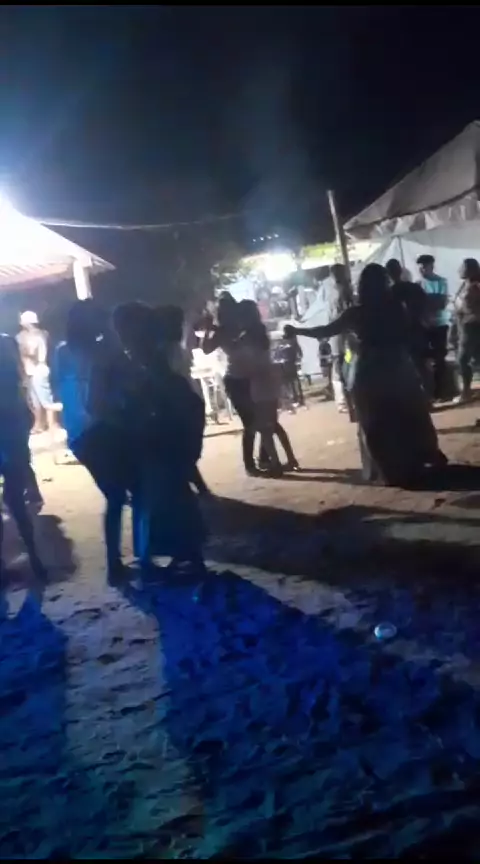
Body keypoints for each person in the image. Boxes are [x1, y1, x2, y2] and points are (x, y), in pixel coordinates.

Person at [285, 264, 446, 488]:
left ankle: (389, 470)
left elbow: (326, 330)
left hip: (369, 370)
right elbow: (409, 334)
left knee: (375, 421)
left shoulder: (356, 313)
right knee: (410, 413)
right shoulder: (396, 308)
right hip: (397, 365)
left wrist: (297, 330)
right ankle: (420, 458)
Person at [113, 302, 206, 573]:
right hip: (169, 430)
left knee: (166, 496)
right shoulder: (153, 350)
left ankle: (182, 553)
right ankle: (187, 553)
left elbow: (156, 393)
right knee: (173, 494)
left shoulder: (146, 356)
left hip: (162, 431)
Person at [53, 300, 135, 582]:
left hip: (79, 434)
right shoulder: (100, 350)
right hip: (99, 429)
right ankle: (118, 563)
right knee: (120, 493)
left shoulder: (62, 352)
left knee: (117, 494)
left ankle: (117, 562)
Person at [202, 292, 271, 475]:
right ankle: (253, 463)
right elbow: (206, 348)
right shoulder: (226, 331)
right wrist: (209, 330)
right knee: (252, 422)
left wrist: (211, 329)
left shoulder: (238, 328)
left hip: (250, 377)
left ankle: (263, 459)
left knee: (263, 420)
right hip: (237, 379)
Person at [0, 333, 45, 579]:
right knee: (16, 500)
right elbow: (24, 410)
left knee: (13, 500)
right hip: (12, 436)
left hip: (10, 434)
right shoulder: (9, 358)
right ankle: (35, 557)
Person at [238, 300, 298, 476]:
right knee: (273, 424)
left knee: (265, 428)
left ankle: (276, 464)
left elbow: (244, 360)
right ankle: (290, 458)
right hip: (269, 377)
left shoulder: (245, 337)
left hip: (257, 379)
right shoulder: (261, 331)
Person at [156, 304, 211, 495]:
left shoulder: (171, 346)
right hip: (180, 399)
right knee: (184, 448)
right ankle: (197, 488)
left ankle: (196, 487)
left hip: (187, 397)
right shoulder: (165, 349)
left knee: (186, 448)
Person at [385, 258, 428, 380]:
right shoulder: (415, 288)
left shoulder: (388, 293)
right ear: (400, 270)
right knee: (420, 363)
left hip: (399, 334)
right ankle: (426, 387)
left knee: (404, 366)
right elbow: (425, 306)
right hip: (418, 329)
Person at [17, 311, 58, 436]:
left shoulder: (38, 336)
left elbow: (32, 353)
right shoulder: (32, 335)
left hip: (38, 369)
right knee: (34, 400)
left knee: (45, 399)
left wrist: (21, 348)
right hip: (30, 370)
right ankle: (39, 424)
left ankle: (52, 425)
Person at [416, 254, 450, 400]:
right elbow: (419, 304)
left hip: (439, 324)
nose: (422, 270)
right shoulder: (418, 284)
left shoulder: (441, 282)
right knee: (425, 359)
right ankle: (430, 392)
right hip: (424, 326)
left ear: (431, 266)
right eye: (420, 268)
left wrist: (427, 301)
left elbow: (441, 303)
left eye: (424, 267)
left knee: (439, 358)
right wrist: (432, 300)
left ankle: (442, 391)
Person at [328, 264, 355, 414]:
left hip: (342, 341)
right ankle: (346, 401)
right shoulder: (346, 291)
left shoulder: (337, 293)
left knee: (341, 371)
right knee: (344, 368)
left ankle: (344, 402)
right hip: (345, 340)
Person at [453, 258, 480, 400]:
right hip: (464, 325)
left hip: (472, 326)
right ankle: (467, 390)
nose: (459, 270)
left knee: (463, 359)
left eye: (463, 267)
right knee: (475, 359)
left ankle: (466, 391)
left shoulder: (476, 286)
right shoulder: (465, 285)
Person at [278, 330, 305, 411]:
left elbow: (299, 356)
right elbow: (277, 358)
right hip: (286, 368)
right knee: (290, 385)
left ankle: (298, 400)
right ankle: (295, 400)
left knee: (294, 384)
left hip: (291, 367)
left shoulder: (293, 347)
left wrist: (297, 363)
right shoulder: (283, 348)